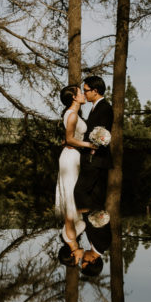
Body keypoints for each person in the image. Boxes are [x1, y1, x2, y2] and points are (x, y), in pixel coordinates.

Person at [55, 84, 96, 264]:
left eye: (78, 260)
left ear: (72, 254)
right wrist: (90, 145)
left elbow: (69, 139)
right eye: (80, 92)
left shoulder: (70, 237)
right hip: (70, 158)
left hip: (72, 157)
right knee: (71, 193)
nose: (83, 95)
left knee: (71, 194)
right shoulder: (72, 114)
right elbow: (70, 139)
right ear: (74, 97)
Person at [73, 75, 112, 214]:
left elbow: (103, 133)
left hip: (96, 159)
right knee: (95, 199)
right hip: (94, 160)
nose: (84, 93)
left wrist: (92, 149)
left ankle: (88, 220)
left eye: (86, 90)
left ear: (95, 91)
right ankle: (92, 221)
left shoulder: (105, 108)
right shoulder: (96, 107)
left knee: (80, 192)